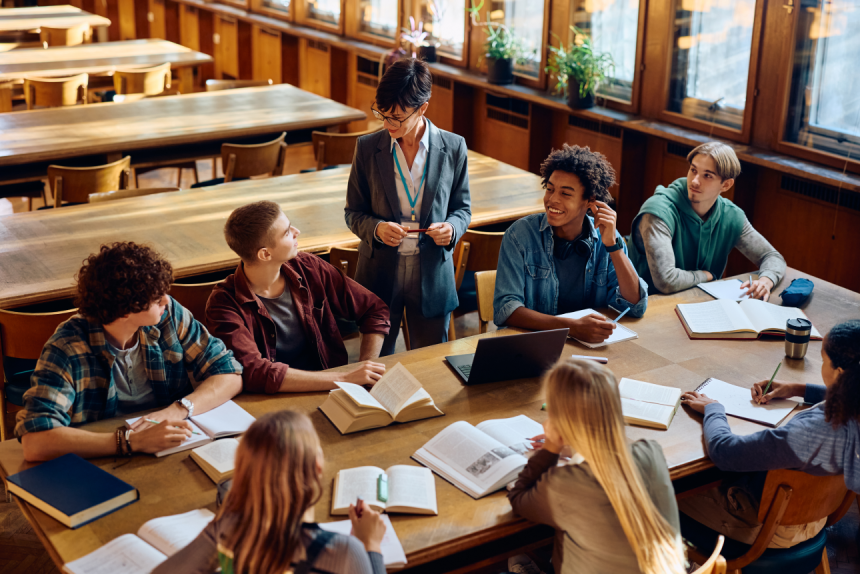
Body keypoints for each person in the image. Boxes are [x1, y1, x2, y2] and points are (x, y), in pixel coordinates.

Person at [15, 242, 243, 462]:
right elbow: (35, 442)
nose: (166, 299)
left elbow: (230, 373)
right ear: (125, 310)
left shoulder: (169, 314)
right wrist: (131, 441)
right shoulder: (67, 347)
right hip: (104, 459)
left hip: (172, 449)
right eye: (156, 298)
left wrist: (179, 409)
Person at [679, 320, 860, 547]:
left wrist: (714, 409)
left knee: (654, 490)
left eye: (824, 361)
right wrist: (798, 389)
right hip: (817, 516)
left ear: (840, 374)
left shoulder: (810, 433)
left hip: (765, 528)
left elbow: (724, 452)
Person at [152, 410, 387, 574]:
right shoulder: (343, 551)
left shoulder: (227, 532)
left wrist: (221, 523)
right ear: (317, 466)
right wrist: (371, 546)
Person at [508, 358, 685, 574]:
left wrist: (551, 448)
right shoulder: (651, 451)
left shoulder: (564, 484)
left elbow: (518, 499)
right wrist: (572, 446)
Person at [345, 58, 471, 355]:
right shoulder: (367, 148)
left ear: (422, 108)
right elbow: (353, 213)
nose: (387, 124)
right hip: (379, 273)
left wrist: (452, 228)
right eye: (382, 114)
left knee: (430, 363)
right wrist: (376, 228)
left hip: (432, 273)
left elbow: (462, 209)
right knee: (377, 366)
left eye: (397, 118)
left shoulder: (454, 147)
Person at [206, 201, 391, 394]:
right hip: (272, 398)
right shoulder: (223, 304)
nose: (297, 231)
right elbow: (255, 371)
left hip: (332, 387)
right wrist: (345, 379)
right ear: (265, 254)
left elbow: (374, 309)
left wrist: (365, 368)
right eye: (287, 232)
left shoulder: (308, 266)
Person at [493, 145, 648, 344]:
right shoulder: (519, 235)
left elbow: (635, 306)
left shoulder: (607, 238)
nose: (552, 200)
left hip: (586, 349)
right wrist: (571, 328)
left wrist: (613, 247)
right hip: (533, 345)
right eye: (550, 189)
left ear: (590, 200)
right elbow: (506, 309)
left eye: (565, 194)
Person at [628, 142, 786, 298]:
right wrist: (706, 275)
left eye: (707, 175)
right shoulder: (658, 212)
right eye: (693, 170)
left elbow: (771, 256)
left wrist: (766, 280)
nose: (695, 181)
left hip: (700, 302)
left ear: (726, 185)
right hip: (646, 305)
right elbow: (666, 281)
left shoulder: (731, 216)